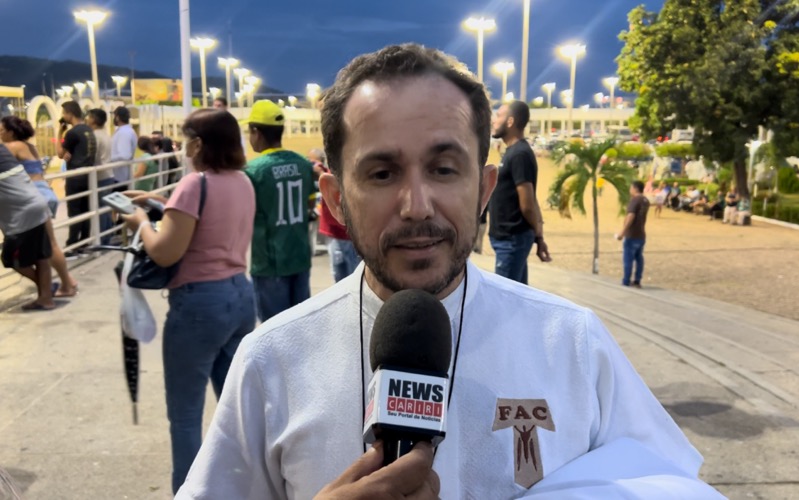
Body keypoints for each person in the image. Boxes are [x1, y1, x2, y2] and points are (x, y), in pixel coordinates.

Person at [178, 44, 719, 499]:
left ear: (484, 190)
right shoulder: (272, 360)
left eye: (443, 168)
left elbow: (665, 481)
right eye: (383, 172)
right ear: (336, 200)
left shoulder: (572, 343)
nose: (417, 205)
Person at [119, 109, 256, 494]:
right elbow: (210, 219)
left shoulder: (195, 184)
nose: (181, 147)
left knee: (184, 416)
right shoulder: (242, 181)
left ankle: (190, 491)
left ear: (198, 143)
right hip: (239, 298)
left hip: (199, 306)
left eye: (185, 140)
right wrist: (161, 200)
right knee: (236, 411)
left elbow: (164, 252)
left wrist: (140, 223)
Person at [243, 100, 315, 322]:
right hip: (300, 256)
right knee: (302, 327)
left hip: (269, 263)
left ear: (256, 132)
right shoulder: (303, 164)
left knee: (273, 333)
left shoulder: (254, 171)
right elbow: (311, 204)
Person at [0, 117, 78, 297]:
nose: (0, 134)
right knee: (48, 245)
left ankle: (66, 283)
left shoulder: (11, 148)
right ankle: (64, 283)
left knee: (48, 246)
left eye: (2, 130)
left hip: (31, 195)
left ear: (11, 132)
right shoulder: (30, 147)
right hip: (45, 191)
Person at [488, 100, 551, 284]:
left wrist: (538, 235)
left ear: (510, 122)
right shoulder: (512, 152)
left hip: (512, 241)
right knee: (515, 298)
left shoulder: (520, 154)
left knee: (504, 301)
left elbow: (528, 203)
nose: (494, 120)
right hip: (508, 241)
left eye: (499, 115)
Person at [0, 144, 54, 310]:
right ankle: (46, 297)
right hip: (37, 205)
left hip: (22, 215)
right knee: (41, 257)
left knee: (11, 259)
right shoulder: (3, 150)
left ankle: (46, 293)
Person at [309, 148, 361, 281]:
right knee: (339, 274)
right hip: (336, 233)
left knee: (350, 276)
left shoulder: (346, 174)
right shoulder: (332, 173)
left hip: (347, 235)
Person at [58, 101, 97, 252]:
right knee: (86, 210)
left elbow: (60, 154)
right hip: (88, 176)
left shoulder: (72, 133)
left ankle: (72, 243)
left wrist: (59, 132)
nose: (63, 117)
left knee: (74, 211)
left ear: (70, 114)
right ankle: (84, 241)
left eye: (64, 114)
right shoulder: (88, 129)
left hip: (75, 177)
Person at [86, 108, 116, 244]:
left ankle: (102, 240)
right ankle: (107, 236)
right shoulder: (106, 134)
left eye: (89, 116)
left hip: (100, 176)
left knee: (101, 209)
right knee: (106, 207)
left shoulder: (95, 136)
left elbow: (93, 156)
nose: (86, 119)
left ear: (94, 119)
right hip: (109, 174)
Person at [616, 180, 650, 288]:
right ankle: (637, 280)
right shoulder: (645, 200)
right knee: (639, 258)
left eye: (631, 187)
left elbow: (631, 215)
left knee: (628, 258)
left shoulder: (635, 200)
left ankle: (626, 280)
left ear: (635, 188)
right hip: (641, 234)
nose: (630, 190)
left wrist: (623, 231)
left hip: (632, 234)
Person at [110, 106, 137, 188]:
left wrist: (109, 159)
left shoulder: (124, 133)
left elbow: (125, 155)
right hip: (121, 175)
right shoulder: (126, 131)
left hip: (120, 177)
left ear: (117, 117)